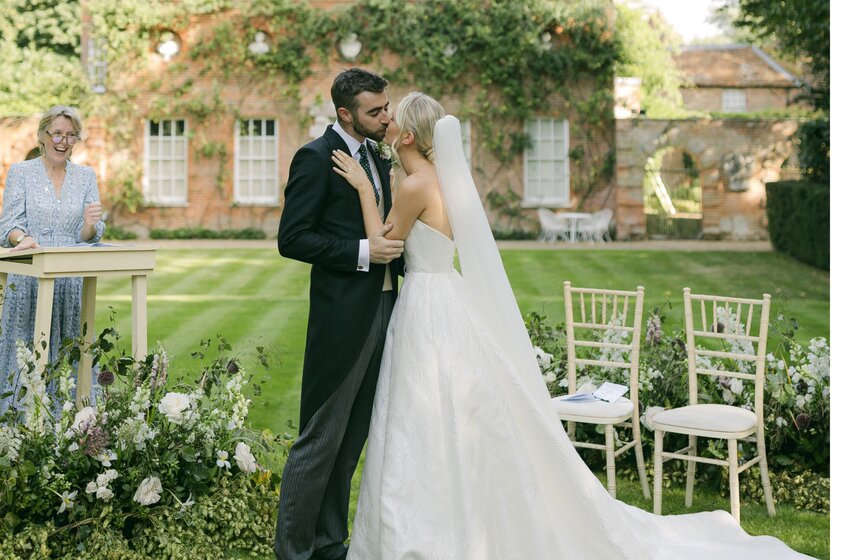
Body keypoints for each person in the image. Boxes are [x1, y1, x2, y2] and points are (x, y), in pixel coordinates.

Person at [332, 92, 812, 559]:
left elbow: (383, 242)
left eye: (394, 120)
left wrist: (359, 186)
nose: (386, 123)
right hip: (443, 296)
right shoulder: (435, 178)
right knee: (439, 411)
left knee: (422, 409)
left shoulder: (417, 185)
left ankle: (426, 527)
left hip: (426, 302)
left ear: (410, 135)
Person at [275, 68, 405, 560]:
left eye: (386, 107)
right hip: (341, 318)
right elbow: (293, 238)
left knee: (351, 441)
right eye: (375, 111)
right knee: (319, 441)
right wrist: (361, 252)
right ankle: (292, 552)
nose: (385, 117)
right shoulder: (313, 158)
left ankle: (330, 543)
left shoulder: (376, 155)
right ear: (345, 113)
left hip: (388, 307)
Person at [0, 105, 104, 416]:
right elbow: (7, 228)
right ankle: (15, 433)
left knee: (69, 355)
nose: (63, 141)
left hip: (70, 281)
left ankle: (72, 430)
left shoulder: (85, 177)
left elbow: (88, 235)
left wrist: (90, 224)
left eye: (71, 136)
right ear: (43, 136)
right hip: (30, 277)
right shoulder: (21, 172)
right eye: (57, 133)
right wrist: (21, 239)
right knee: (24, 355)